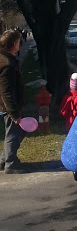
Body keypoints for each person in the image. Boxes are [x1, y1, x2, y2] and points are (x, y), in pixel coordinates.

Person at [0, 29, 27, 174]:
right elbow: (6, 91)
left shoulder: (6, 58)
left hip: (9, 105)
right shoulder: (7, 64)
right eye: (18, 41)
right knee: (13, 134)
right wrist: (14, 113)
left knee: (13, 132)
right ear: (14, 44)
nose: (20, 44)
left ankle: (3, 160)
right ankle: (10, 164)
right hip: (9, 106)